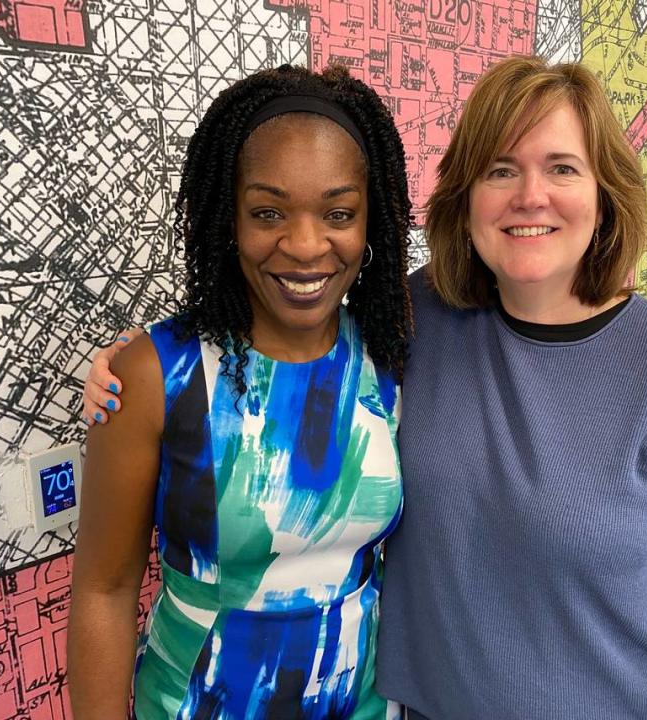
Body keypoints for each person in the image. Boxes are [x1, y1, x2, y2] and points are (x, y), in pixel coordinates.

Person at [82, 57, 647, 719]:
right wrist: (134, 368)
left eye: (562, 168)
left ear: (606, 194)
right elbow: (272, 346)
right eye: (501, 170)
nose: (530, 196)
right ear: (467, 198)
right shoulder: (420, 324)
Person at [68, 64, 412, 720]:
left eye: (338, 213)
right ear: (229, 217)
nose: (306, 244)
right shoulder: (155, 375)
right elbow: (106, 591)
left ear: (372, 223)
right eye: (268, 212)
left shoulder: (391, 355)